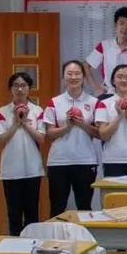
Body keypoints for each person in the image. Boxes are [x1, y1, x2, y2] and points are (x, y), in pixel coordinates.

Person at [43, 61, 100, 217]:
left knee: (84, 206)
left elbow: (99, 134)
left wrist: (82, 124)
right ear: (63, 77)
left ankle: (84, 233)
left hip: (85, 160)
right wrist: (67, 126)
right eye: (69, 74)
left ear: (83, 77)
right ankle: (56, 234)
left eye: (77, 74)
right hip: (59, 161)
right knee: (57, 207)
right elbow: (49, 133)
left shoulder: (94, 102)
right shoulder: (54, 102)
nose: (73, 77)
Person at [0, 72, 45, 236]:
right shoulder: (3, 111)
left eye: (23, 86)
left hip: (32, 170)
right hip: (11, 171)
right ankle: (14, 245)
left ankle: (32, 245)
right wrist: (15, 123)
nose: (20, 89)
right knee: (13, 214)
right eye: (16, 86)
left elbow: (41, 138)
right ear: (11, 89)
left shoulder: (37, 110)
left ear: (29, 89)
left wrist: (25, 123)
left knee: (32, 215)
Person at [85, 6, 127, 95]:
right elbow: (85, 65)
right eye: (121, 23)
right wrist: (95, 87)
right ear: (115, 25)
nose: (124, 28)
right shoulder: (104, 45)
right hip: (108, 94)